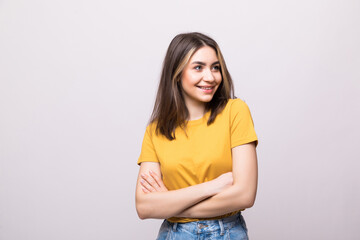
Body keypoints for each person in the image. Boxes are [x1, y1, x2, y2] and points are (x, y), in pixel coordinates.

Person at [135, 32, 258, 240]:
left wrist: (170, 205)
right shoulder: (156, 130)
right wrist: (213, 186)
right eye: (198, 67)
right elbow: (144, 206)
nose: (210, 77)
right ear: (176, 73)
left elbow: (244, 195)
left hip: (226, 233)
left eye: (215, 67)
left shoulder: (235, 111)